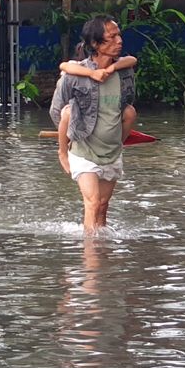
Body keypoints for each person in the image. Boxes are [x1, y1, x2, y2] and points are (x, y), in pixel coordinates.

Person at [49, 16, 136, 235]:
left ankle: (102, 252)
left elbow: (127, 102)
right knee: (93, 202)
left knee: (103, 207)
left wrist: (111, 69)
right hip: (83, 150)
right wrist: (65, 144)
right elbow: (57, 111)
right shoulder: (76, 74)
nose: (119, 40)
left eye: (119, 34)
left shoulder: (124, 72)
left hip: (111, 151)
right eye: (112, 37)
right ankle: (91, 260)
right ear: (95, 44)